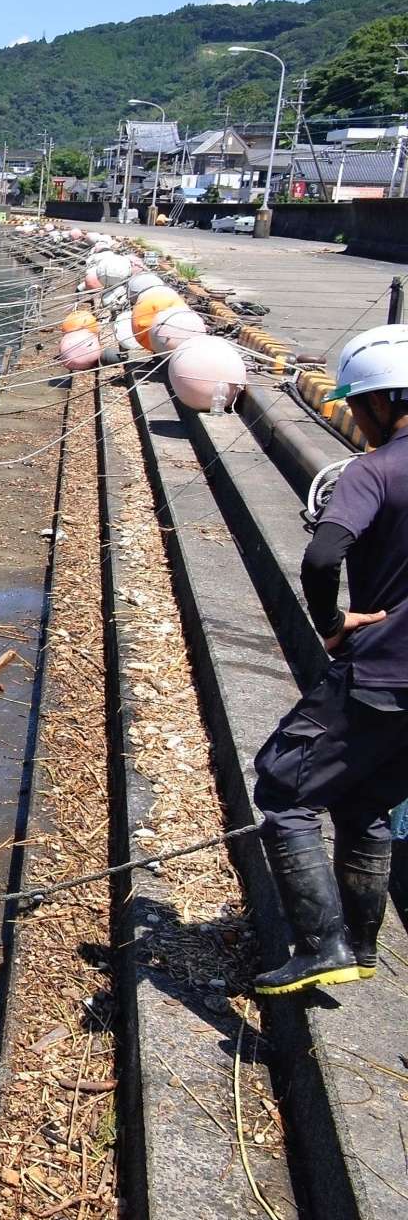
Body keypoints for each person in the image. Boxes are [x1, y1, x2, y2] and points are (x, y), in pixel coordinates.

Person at [250, 323, 408, 995]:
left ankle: (322, 944)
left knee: (283, 787)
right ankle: (362, 946)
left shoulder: (376, 470)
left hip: (383, 671)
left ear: (379, 402)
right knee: (367, 801)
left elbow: (322, 554)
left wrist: (331, 623)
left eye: (357, 406)